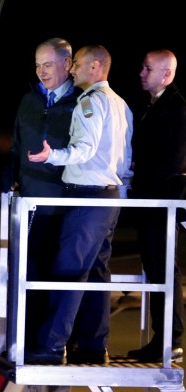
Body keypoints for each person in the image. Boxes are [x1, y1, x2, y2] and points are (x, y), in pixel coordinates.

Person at [26, 45, 133, 365]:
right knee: (98, 273)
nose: (72, 71)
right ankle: (92, 345)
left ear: (96, 67)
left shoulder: (90, 102)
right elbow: (125, 159)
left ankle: (49, 345)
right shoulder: (120, 104)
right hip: (109, 197)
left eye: (79, 65)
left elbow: (84, 150)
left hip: (87, 196)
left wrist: (53, 156)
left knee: (69, 271)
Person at [0, 37, 80, 353]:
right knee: (29, 273)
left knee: (60, 276)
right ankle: (25, 341)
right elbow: (16, 149)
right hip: (29, 203)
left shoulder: (82, 102)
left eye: (48, 64)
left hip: (65, 206)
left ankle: (56, 343)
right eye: (37, 64)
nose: (41, 71)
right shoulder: (29, 100)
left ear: (68, 64)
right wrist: (3, 182)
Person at [127, 49, 186, 363]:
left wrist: (138, 168)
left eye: (147, 68)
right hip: (150, 202)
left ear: (167, 74)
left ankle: (171, 340)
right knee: (155, 270)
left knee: (165, 271)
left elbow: (172, 162)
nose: (141, 73)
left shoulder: (176, 109)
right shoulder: (153, 106)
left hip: (162, 202)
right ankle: (161, 338)